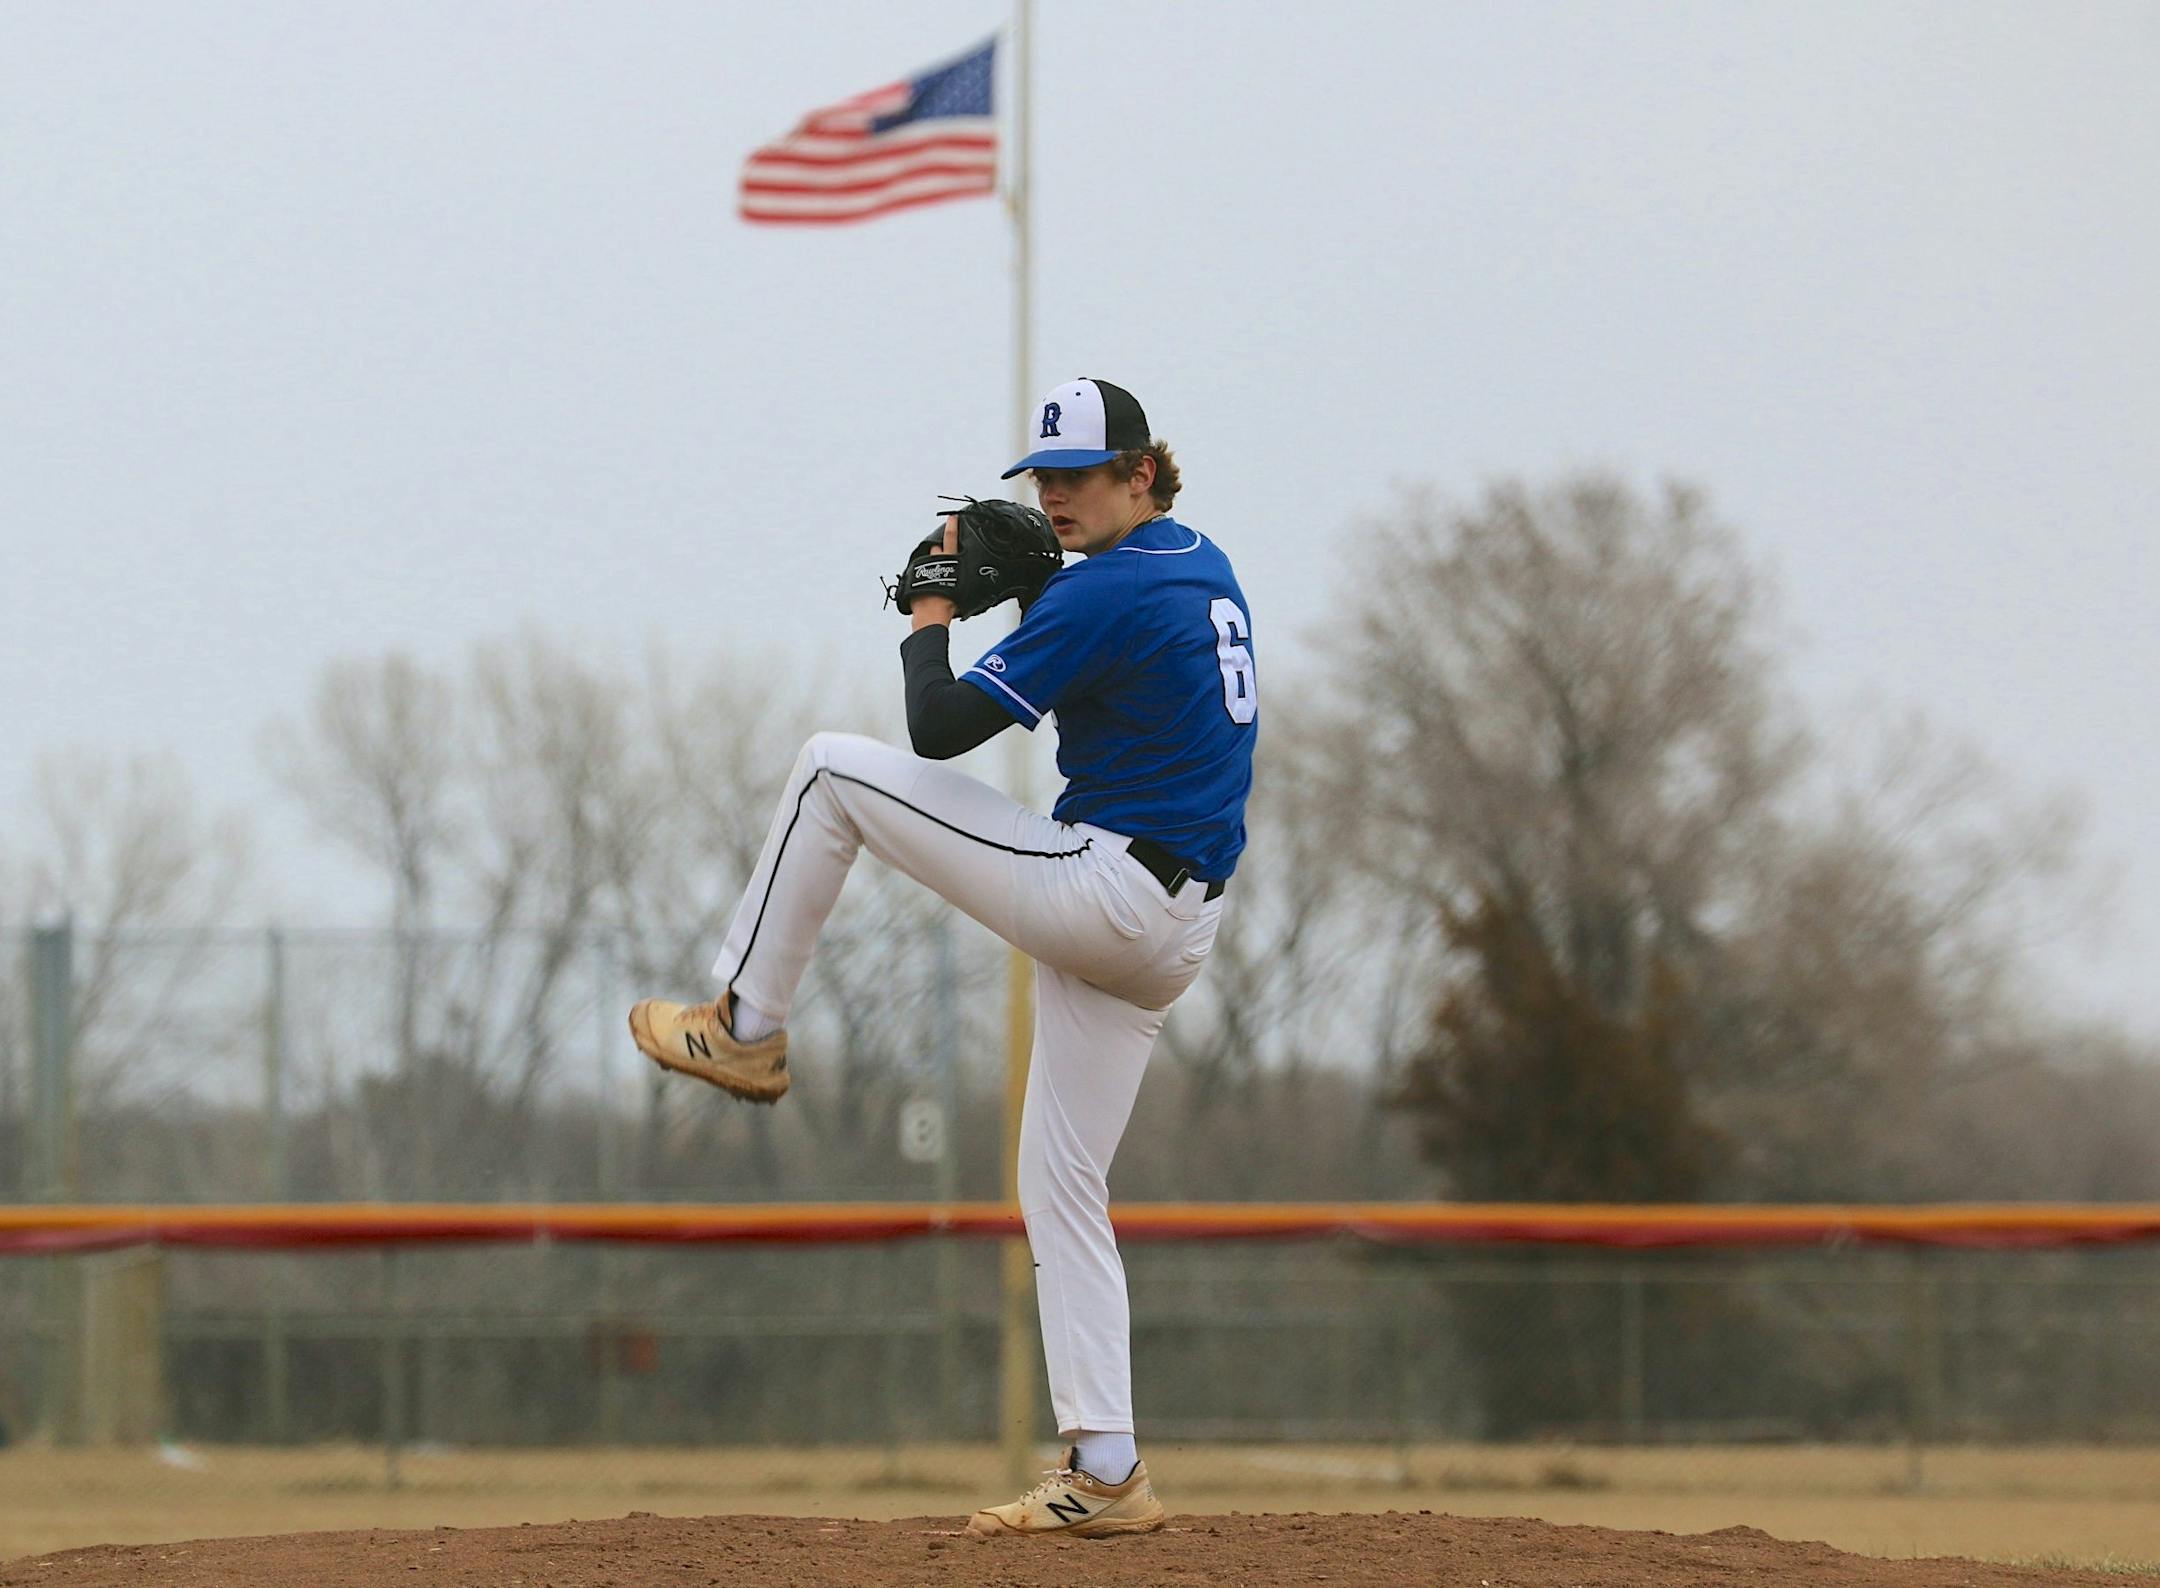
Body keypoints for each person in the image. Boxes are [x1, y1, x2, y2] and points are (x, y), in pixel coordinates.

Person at [627, 377, 1257, 1538]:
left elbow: (939, 728)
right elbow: (1102, 652)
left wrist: (929, 613)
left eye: (1083, 475)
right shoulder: (1197, 560)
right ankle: (1107, 1470)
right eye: (1046, 477)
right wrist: (1036, 595)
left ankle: (746, 1028)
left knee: (831, 769)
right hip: (1177, 923)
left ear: (1143, 473)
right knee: (1063, 1188)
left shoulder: (1110, 587)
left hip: (1108, 888)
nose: (1057, 495)